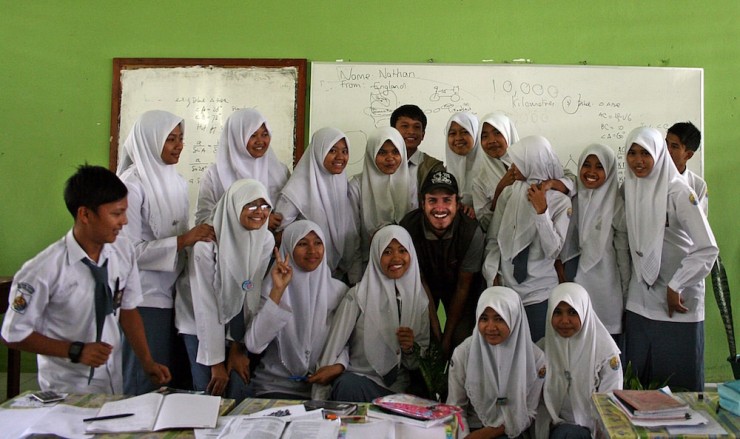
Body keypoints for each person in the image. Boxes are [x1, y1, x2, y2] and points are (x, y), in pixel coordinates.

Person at [1, 165, 171, 394]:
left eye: (125, 212)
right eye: (116, 214)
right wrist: (75, 350)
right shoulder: (43, 269)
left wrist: (147, 361)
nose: (124, 222)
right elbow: (13, 334)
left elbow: (128, 310)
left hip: (112, 383)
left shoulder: (123, 251)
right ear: (85, 215)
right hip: (67, 390)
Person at [117, 110, 215, 394]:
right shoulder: (130, 186)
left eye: (181, 138)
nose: (179, 145)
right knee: (145, 382)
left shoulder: (177, 181)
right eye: (170, 139)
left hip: (176, 294)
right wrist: (184, 240)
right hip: (144, 297)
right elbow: (128, 252)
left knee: (172, 384)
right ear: (150, 140)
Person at [622, 126, 717, 391]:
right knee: (639, 385)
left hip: (677, 300)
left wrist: (677, 285)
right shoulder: (631, 187)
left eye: (645, 153)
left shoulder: (678, 192)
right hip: (641, 298)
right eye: (632, 153)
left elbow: (707, 248)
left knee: (677, 388)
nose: (638, 161)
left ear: (659, 154)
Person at [312, 225, 430, 402]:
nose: (396, 258)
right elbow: (336, 344)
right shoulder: (358, 296)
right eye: (387, 251)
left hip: (398, 390)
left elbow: (415, 363)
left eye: (402, 250)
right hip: (361, 381)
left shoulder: (418, 300)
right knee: (347, 386)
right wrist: (319, 398)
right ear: (376, 255)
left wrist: (409, 348)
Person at [187, 179, 275, 400]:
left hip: (235, 322)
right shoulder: (206, 246)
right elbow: (206, 304)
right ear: (235, 206)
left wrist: (237, 347)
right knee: (209, 389)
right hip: (198, 324)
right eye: (251, 205)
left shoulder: (265, 239)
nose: (260, 213)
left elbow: (249, 293)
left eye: (265, 206)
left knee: (236, 387)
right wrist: (216, 362)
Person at [482, 135, 572, 342]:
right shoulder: (509, 195)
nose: (513, 166)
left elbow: (554, 251)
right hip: (506, 290)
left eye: (519, 160)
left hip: (540, 293)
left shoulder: (560, 202)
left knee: (538, 353)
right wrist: (492, 274)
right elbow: (494, 239)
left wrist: (541, 213)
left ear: (534, 161)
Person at [245, 221, 348, 399]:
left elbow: (348, 340)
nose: (312, 250)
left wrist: (338, 366)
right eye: (302, 244)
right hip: (275, 386)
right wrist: (278, 291)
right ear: (288, 248)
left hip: (322, 389)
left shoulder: (338, 292)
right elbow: (254, 344)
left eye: (318, 243)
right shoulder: (270, 288)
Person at [400, 170, 485, 357]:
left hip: (459, 291)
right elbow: (420, 282)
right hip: (423, 288)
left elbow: (464, 287)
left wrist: (447, 336)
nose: (440, 208)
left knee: (461, 341)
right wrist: (437, 331)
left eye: (447, 200)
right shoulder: (408, 228)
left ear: (457, 203)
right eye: (432, 201)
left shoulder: (471, 232)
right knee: (425, 340)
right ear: (422, 203)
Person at [447, 287, 546, 438]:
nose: (491, 327)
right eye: (484, 318)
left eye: (500, 318)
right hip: (468, 429)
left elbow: (530, 412)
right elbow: (455, 408)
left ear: (514, 317)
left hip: (513, 431)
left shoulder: (535, 358)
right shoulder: (463, 353)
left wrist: (487, 434)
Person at [559, 144, 630, 340]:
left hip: (606, 288)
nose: (591, 172)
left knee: (604, 342)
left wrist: (625, 296)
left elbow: (623, 255)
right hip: (574, 282)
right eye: (586, 165)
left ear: (609, 170)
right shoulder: (570, 199)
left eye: (599, 167)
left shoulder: (616, 205)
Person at [275, 127, 361, 284]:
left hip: (337, 276)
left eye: (345, 151)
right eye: (332, 150)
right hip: (302, 276)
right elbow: (278, 235)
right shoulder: (296, 190)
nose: (340, 157)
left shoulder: (342, 185)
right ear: (318, 152)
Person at [540, 282, 622, 439]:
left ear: (584, 311)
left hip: (593, 431)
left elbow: (610, 403)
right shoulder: (543, 350)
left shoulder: (605, 353)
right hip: (553, 427)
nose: (565, 321)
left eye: (572, 312)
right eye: (557, 312)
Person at [472, 113, 575, 232]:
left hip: (546, 233)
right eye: (484, 136)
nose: (491, 141)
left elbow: (572, 181)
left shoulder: (532, 157)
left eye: (497, 133)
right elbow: (485, 225)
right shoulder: (479, 180)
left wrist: (550, 184)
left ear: (508, 132)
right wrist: (499, 190)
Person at [194, 108, 289, 231]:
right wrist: (260, 220)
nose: (260, 141)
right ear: (236, 137)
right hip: (229, 247)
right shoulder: (214, 175)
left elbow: (288, 214)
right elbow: (203, 221)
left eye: (265, 135)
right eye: (252, 135)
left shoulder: (280, 171)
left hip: (271, 246)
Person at [349, 127, 414, 260]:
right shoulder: (357, 185)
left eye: (395, 151)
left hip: (406, 259)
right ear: (371, 154)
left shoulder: (413, 183)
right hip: (367, 260)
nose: (390, 158)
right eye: (382, 152)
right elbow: (352, 233)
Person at [390, 104, 445, 208]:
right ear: (392, 132)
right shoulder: (382, 164)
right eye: (405, 126)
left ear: (423, 134)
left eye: (416, 127)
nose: (411, 131)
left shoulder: (434, 167)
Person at [666, 121, 708, 216]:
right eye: (666, 143)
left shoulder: (698, 186)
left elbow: (699, 225)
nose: (667, 150)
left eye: (674, 146)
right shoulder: (650, 178)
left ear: (688, 155)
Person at [444, 111, 480, 210]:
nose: (458, 138)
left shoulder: (489, 170)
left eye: (465, 132)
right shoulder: (443, 173)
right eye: (452, 133)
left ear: (476, 134)